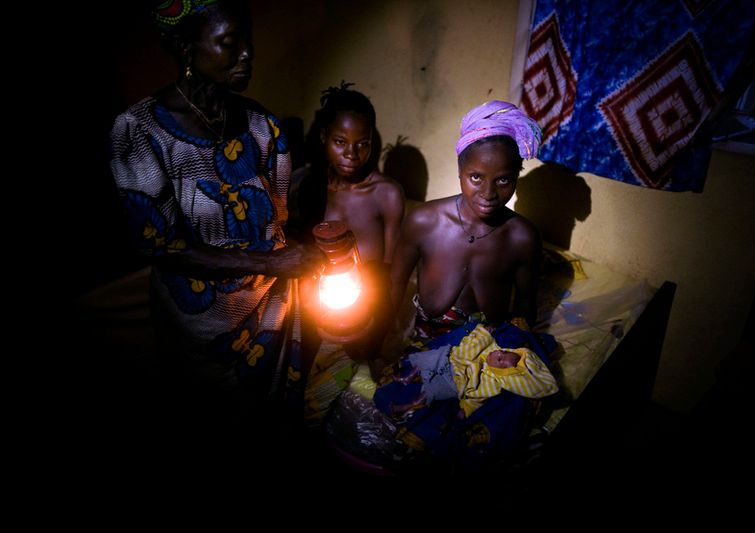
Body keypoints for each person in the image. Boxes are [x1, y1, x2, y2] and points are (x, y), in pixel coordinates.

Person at [109, 0, 324, 435]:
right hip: (200, 326)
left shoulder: (263, 126)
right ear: (187, 48)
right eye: (229, 42)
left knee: (269, 421)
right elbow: (156, 244)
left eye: (248, 40)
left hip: (272, 309)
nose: (247, 53)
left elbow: (277, 221)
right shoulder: (140, 132)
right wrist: (269, 263)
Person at [389, 100, 544, 343]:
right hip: (427, 336)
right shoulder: (424, 221)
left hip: (490, 343)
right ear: (460, 171)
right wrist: (381, 338)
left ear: (516, 178)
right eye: (476, 177)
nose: (488, 193)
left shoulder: (522, 237)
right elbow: (394, 285)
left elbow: (525, 304)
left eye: (503, 180)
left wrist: (516, 348)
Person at [292, 82, 405, 362]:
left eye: (362, 144)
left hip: (367, 309)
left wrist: (379, 331)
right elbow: (304, 257)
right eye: (340, 142)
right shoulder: (311, 188)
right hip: (320, 308)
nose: (352, 154)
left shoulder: (386, 194)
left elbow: (393, 275)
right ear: (324, 137)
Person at [384, 324, 558, 419]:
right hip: (452, 361)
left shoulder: (493, 383)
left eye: (499, 359)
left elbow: (477, 398)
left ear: (503, 373)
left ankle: (406, 406)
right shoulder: (490, 347)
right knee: (432, 357)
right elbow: (467, 347)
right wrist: (484, 334)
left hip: (454, 384)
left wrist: (466, 410)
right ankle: (409, 376)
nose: (498, 353)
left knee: (432, 391)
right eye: (503, 351)